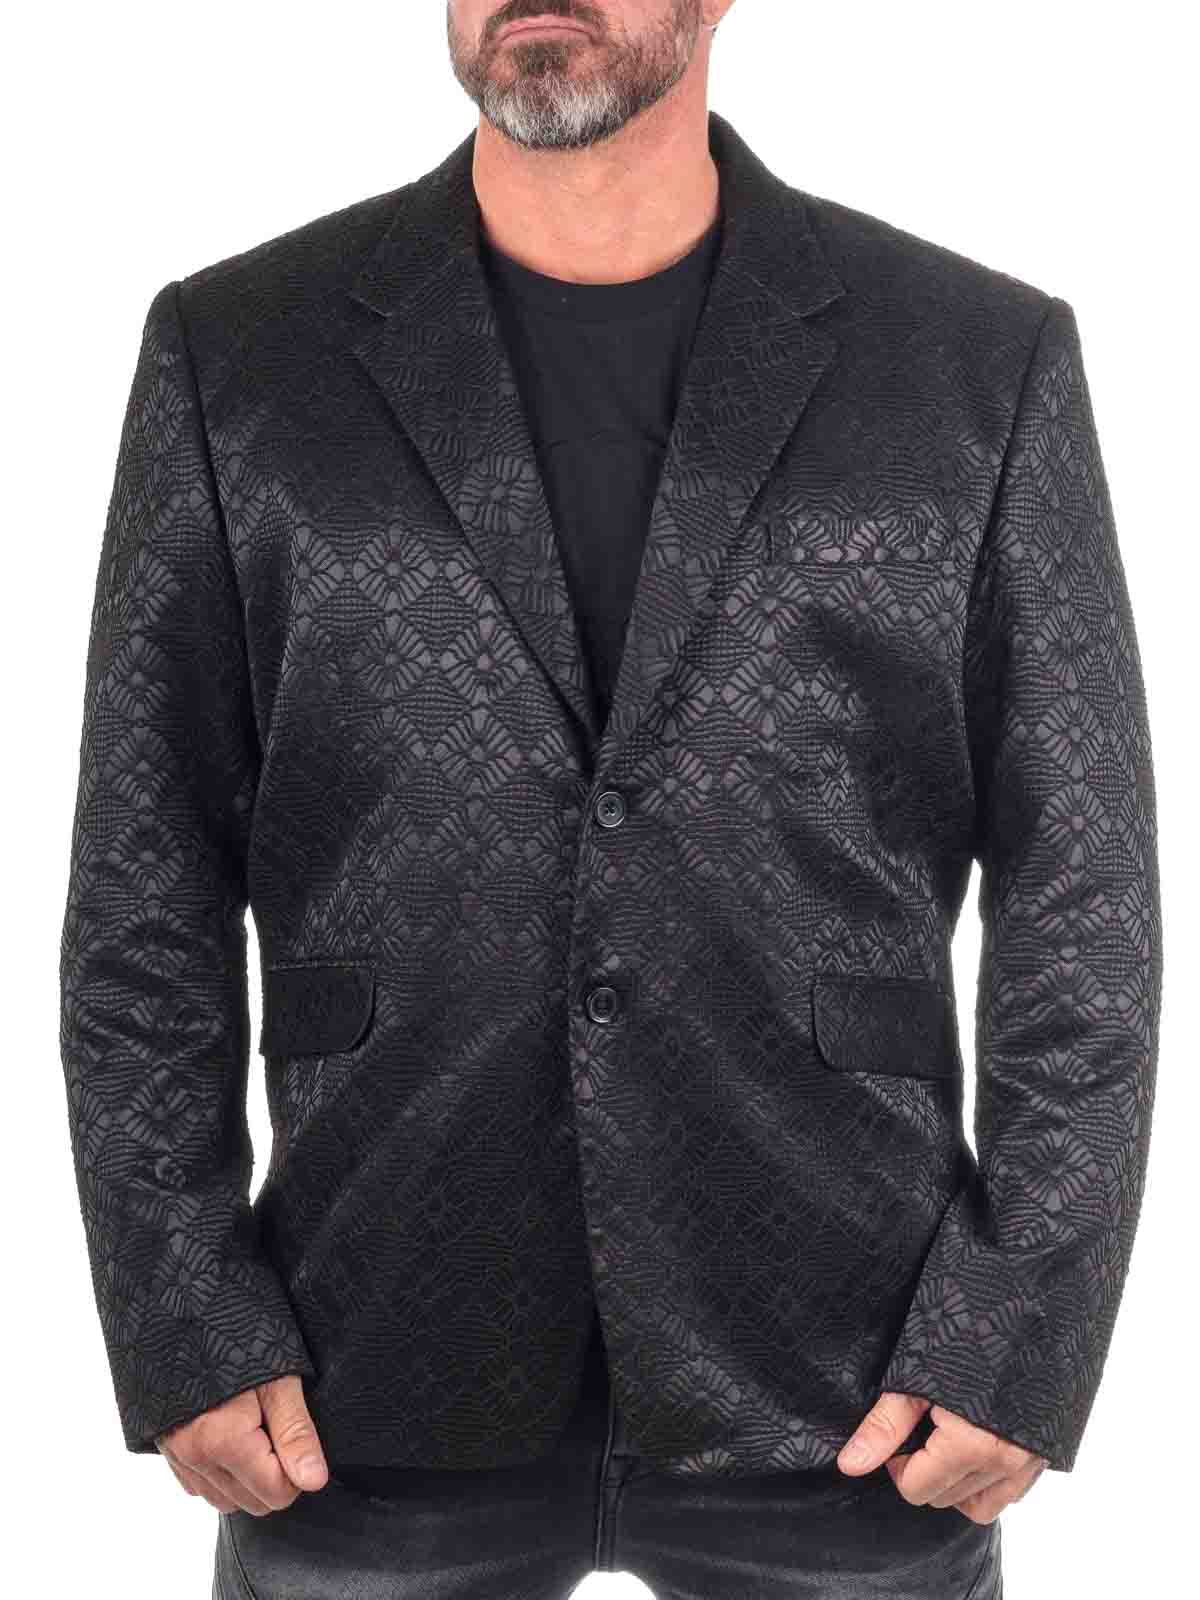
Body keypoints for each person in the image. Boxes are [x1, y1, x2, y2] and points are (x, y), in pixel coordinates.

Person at [58, 3, 1161, 1597]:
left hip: (851, 1364)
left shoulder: (973, 363)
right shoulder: (239, 354)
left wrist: (1018, 1334)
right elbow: (142, 886)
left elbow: (1085, 891)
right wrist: (185, 1316)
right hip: (364, 1347)